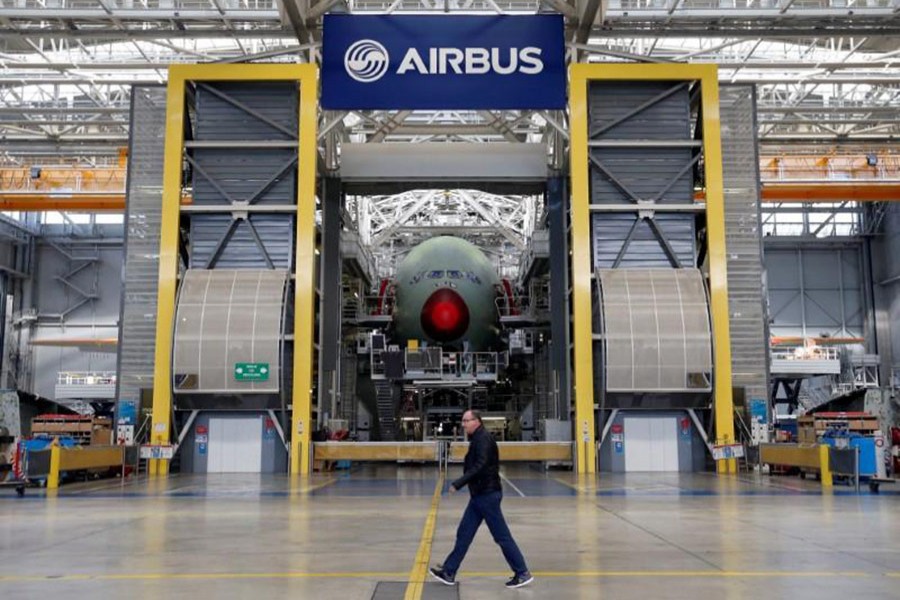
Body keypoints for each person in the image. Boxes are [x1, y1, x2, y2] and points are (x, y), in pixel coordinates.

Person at [430, 409, 533, 589]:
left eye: (466, 421)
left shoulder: (483, 439)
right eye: (463, 421)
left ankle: (522, 572)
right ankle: (449, 571)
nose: (463, 424)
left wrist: (459, 483)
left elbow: (480, 465)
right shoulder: (478, 438)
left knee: (501, 536)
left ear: (476, 421)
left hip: (487, 495)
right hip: (479, 495)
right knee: (464, 533)